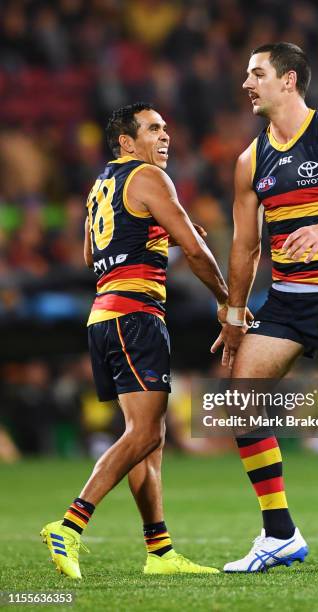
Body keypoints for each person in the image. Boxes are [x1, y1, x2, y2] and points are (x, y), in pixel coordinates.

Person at [212, 43, 318, 573]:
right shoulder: (250, 160)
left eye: (257, 73)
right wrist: (236, 315)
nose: (247, 83)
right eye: (246, 74)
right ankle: (279, 534)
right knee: (240, 403)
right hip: (287, 301)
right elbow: (246, 246)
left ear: (288, 80)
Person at [41, 102, 229, 578]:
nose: (165, 136)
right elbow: (196, 247)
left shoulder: (99, 185)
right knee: (145, 432)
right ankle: (71, 523)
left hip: (103, 316)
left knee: (148, 437)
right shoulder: (149, 178)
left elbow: (90, 253)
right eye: (153, 129)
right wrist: (228, 302)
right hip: (136, 316)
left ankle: (160, 552)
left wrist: (151, 235)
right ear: (127, 141)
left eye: (166, 127)